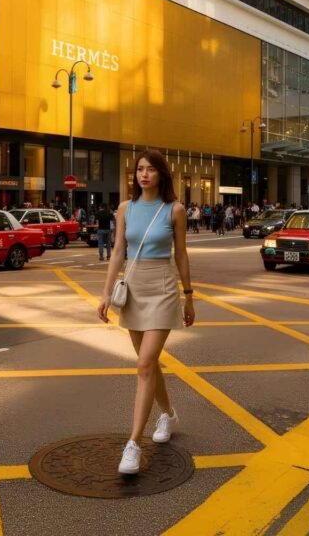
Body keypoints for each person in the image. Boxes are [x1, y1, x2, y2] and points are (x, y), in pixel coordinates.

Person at [98, 150, 195, 475]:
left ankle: (133, 444)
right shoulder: (125, 208)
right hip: (134, 288)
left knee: (143, 364)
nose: (144, 174)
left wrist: (189, 295)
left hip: (163, 288)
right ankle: (166, 413)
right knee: (149, 363)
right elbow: (118, 251)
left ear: (161, 175)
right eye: (139, 169)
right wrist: (106, 292)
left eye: (150, 170)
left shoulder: (175, 210)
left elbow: (180, 254)